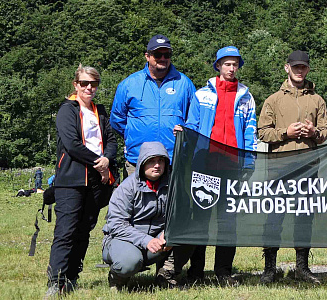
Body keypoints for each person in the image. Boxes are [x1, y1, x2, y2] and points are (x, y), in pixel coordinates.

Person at [183, 46, 257, 284]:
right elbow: (192, 125)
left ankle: (223, 272)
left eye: (235, 64)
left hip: (232, 166)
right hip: (205, 163)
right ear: (218, 66)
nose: (231, 68)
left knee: (228, 221)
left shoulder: (246, 96)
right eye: (227, 63)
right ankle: (196, 272)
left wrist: (249, 162)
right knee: (201, 219)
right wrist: (184, 137)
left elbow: (249, 132)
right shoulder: (201, 94)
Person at [256, 49, 327, 284]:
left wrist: (314, 132)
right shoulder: (273, 99)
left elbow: (326, 132)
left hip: (308, 167)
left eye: (303, 67)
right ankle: (269, 269)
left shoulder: (317, 99)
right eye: (295, 67)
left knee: (304, 216)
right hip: (279, 166)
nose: (299, 71)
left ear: (308, 69)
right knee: (274, 217)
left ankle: (302, 268)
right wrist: (284, 133)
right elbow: (262, 132)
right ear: (287, 68)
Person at [46, 66, 118, 296]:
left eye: (93, 84)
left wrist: (107, 158)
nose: (89, 88)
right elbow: (72, 144)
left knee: (84, 231)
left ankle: (72, 277)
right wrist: (100, 162)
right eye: (85, 83)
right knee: (66, 232)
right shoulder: (67, 110)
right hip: (71, 180)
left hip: (96, 182)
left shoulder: (101, 111)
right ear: (75, 84)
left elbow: (112, 140)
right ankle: (56, 282)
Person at [102, 142, 193, 289]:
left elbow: (184, 214)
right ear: (142, 163)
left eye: (161, 161)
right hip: (125, 239)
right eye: (152, 161)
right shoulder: (126, 188)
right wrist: (146, 240)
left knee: (190, 231)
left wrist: (169, 233)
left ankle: (166, 274)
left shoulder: (174, 185)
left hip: (158, 240)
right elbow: (116, 225)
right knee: (129, 262)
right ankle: (117, 277)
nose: (157, 165)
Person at [109, 35, 195, 175]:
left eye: (166, 54)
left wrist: (185, 131)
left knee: (173, 198)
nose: (162, 58)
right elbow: (117, 119)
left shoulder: (184, 84)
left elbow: (194, 120)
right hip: (138, 160)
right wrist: (134, 133)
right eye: (157, 54)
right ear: (147, 56)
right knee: (137, 197)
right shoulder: (129, 84)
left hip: (174, 161)